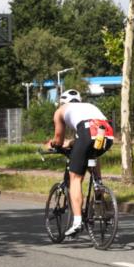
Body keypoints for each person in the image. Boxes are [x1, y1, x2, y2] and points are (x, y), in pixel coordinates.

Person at [48, 89, 114, 237]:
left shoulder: (60, 110)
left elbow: (58, 139)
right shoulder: (89, 106)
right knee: (92, 154)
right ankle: (99, 188)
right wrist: (72, 142)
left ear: (62, 102)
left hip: (86, 131)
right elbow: (91, 133)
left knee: (75, 177)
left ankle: (77, 222)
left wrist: (53, 144)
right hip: (107, 132)